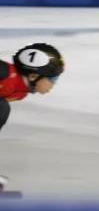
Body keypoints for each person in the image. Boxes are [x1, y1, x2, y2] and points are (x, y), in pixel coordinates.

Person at [0, 43, 65, 192]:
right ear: (33, 75)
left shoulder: (19, 92)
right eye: (52, 79)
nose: (53, 85)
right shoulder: (4, 72)